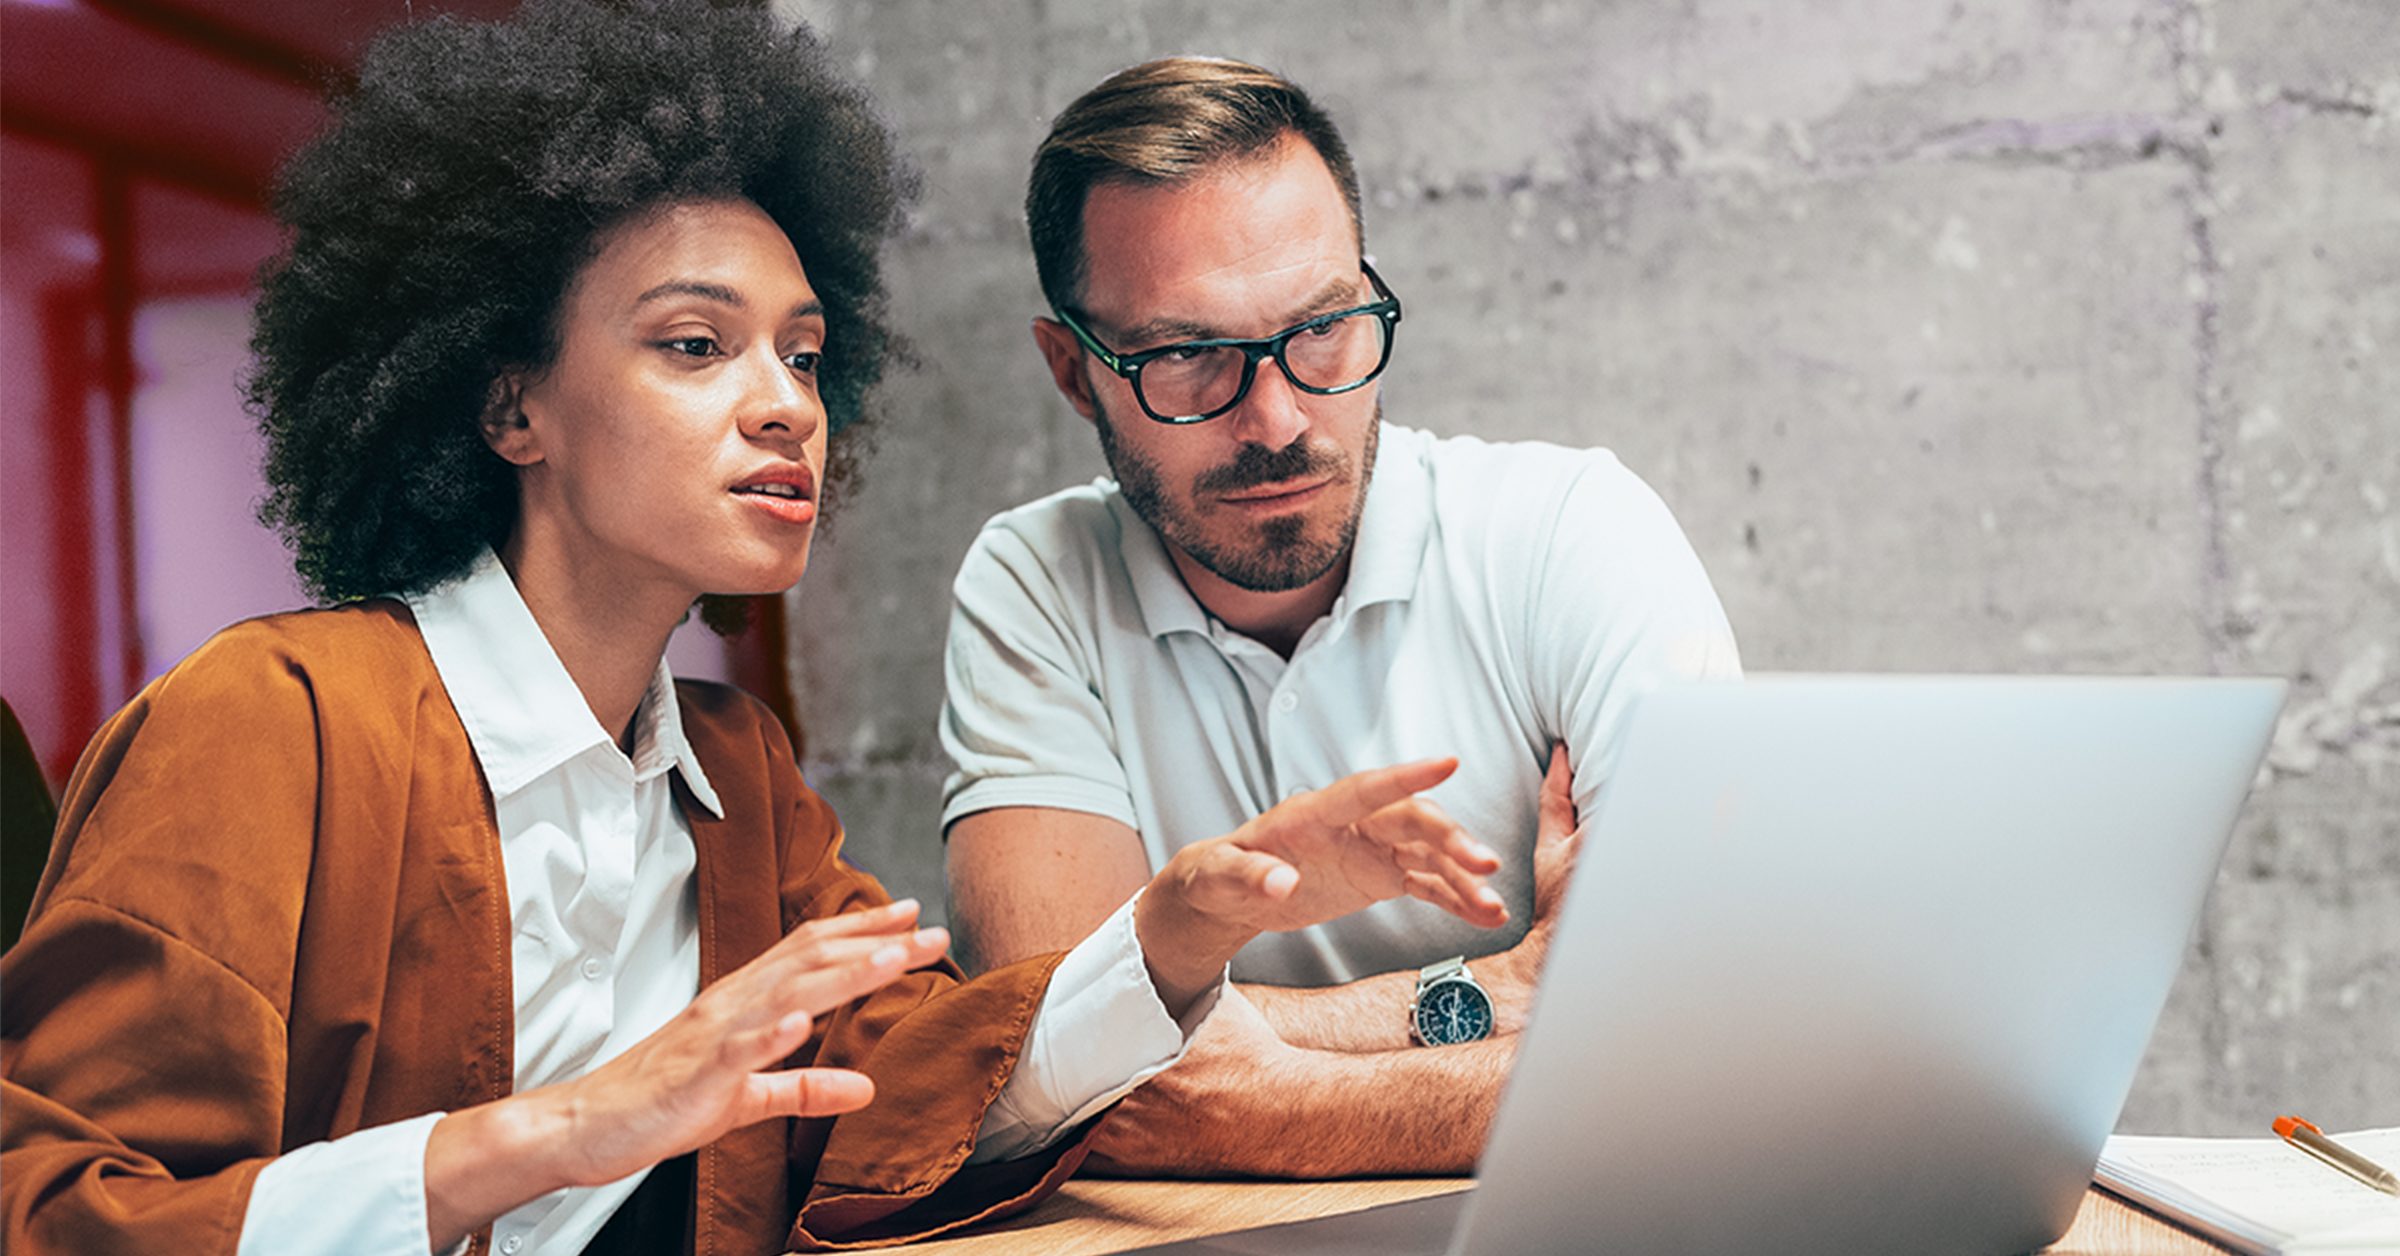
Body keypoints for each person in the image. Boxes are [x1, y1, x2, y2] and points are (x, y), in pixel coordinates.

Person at [0, 11, 1510, 1255]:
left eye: (801, 350)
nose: (788, 402)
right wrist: (553, 1135)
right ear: (507, 400)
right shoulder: (268, 723)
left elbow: (907, 1080)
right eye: (693, 344)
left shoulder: (732, 775)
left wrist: (1176, 928)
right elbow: (55, 1216)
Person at [940, 56, 1743, 1177]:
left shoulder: (1571, 531)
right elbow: (1036, 1064)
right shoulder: (1036, 581)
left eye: (1323, 328)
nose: (1277, 418)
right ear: (1074, 372)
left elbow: (1716, 1036)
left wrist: (1279, 1104)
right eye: (1186, 355)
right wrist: (1499, 990)